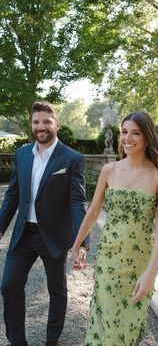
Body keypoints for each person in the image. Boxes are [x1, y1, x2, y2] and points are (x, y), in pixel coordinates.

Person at [72, 111, 158, 345]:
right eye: (124, 132)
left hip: (139, 264)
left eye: (135, 133)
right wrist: (76, 245)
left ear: (147, 137)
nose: (127, 138)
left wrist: (150, 273)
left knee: (126, 330)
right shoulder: (110, 170)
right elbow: (94, 211)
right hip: (108, 260)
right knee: (104, 326)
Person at [0, 101, 89, 346]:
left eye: (46, 122)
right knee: (8, 286)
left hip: (53, 236)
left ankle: (52, 341)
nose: (41, 127)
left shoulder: (72, 158)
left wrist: (81, 241)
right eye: (36, 122)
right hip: (23, 235)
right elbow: (13, 195)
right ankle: (17, 341)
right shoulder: (21, 155)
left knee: (57, 291)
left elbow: (77, 202)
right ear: (31, 124)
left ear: (57, 124)